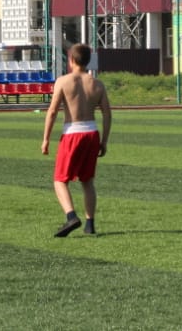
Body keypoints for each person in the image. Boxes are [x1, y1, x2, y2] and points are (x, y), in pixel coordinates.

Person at [41, 43, 112, 236]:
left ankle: (71, 216)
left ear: (71, 60)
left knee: (59, 180)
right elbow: (107, 113)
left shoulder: (63, 82)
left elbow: (53, 111)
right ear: (88, 61)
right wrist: (104, 141)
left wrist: (46, 138)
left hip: (72, 132)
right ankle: (90, 224)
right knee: (87, 180)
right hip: (91, 133)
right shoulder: (97, 84)